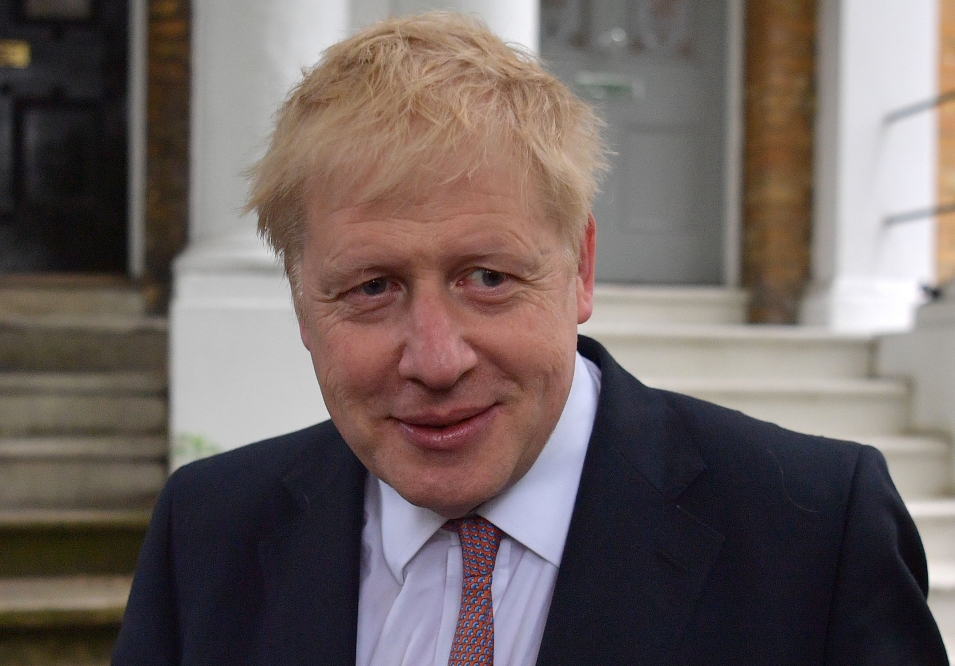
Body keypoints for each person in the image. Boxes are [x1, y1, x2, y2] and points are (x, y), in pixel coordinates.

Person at [112, 11, 948, 665]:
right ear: (301, 300)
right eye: (372, 288)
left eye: (488, 278)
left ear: (580, 270)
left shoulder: (813, 533)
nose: (437, 359)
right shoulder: (209, 532)